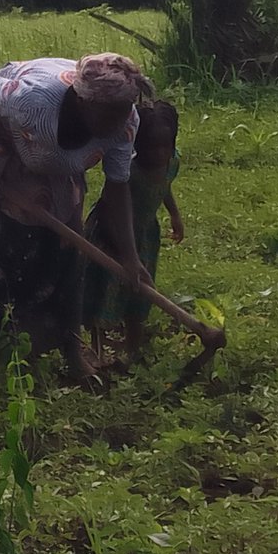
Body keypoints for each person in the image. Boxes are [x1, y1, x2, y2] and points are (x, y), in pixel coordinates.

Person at [0, 52, 154, 378]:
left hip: (61, 172)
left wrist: (130, 257)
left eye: (125, 109)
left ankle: (71, 351)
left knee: (68, 260)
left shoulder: (125, 122)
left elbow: (117, 185)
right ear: (82, 101)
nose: (119, 119)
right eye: (110, 112)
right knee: (12, 260)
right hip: (14, 155)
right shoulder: (30, 101)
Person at [84, 100, 184, 362]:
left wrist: (175, 215)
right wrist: (120, 248)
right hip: (111, 235)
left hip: (146, 237)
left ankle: (133, 346)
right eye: (151, 147)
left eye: (165, 146)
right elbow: (111, 206)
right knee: (105, 290)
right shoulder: (128, 172)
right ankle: (97, 347)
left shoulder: (172, 163)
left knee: (141, 291)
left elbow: (165, 187)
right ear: (137, 144)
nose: (159, 153)